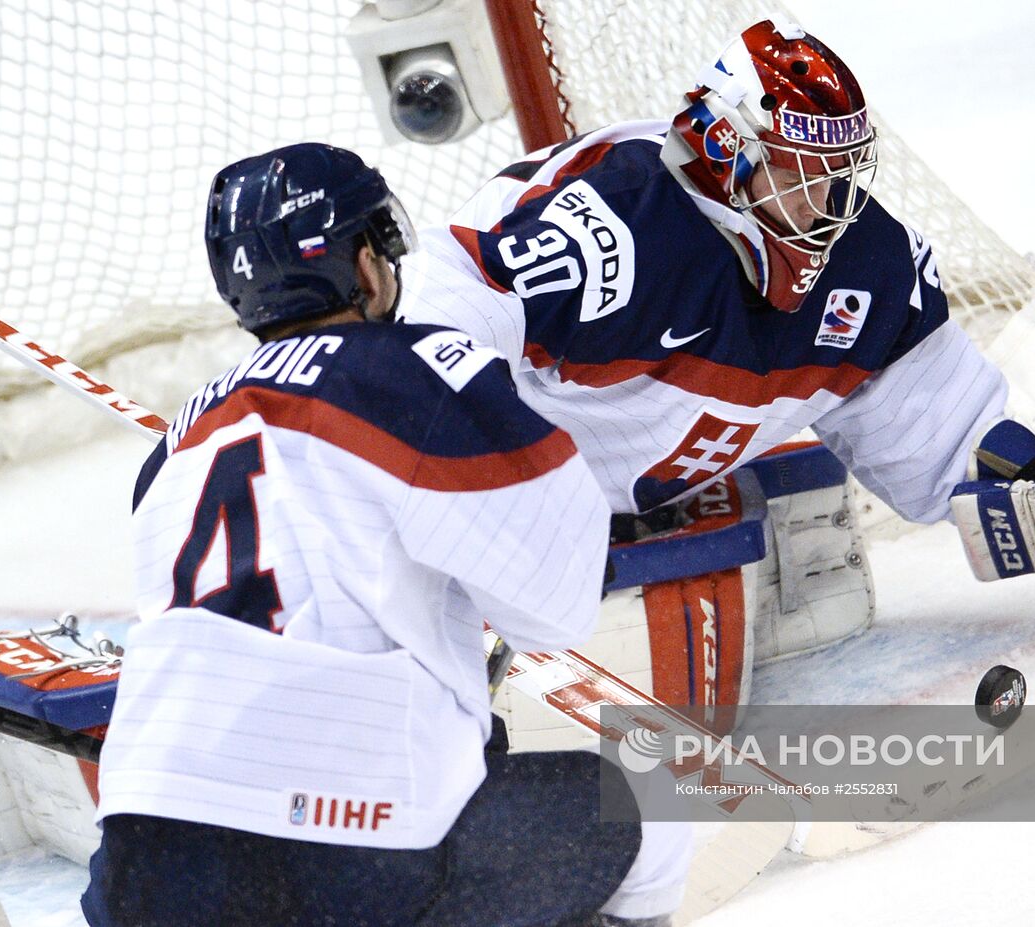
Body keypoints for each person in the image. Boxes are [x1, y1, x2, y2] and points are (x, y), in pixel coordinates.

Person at [395, 19, 1035, 609]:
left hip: (633, 520)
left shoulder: (868, 271)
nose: (833, 202)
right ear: (729, 148)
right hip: (495, 516)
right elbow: (434, 318)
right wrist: (487, 502)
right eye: (807, 173)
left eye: (842, 175)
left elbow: (946, 453)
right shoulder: (610, 226)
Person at [81, 143, 689, 927]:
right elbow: (556, 603)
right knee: (657, 807)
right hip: (343, 859)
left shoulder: (168, 452)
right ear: (364, 267)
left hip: (141, 866)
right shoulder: (416, 370)